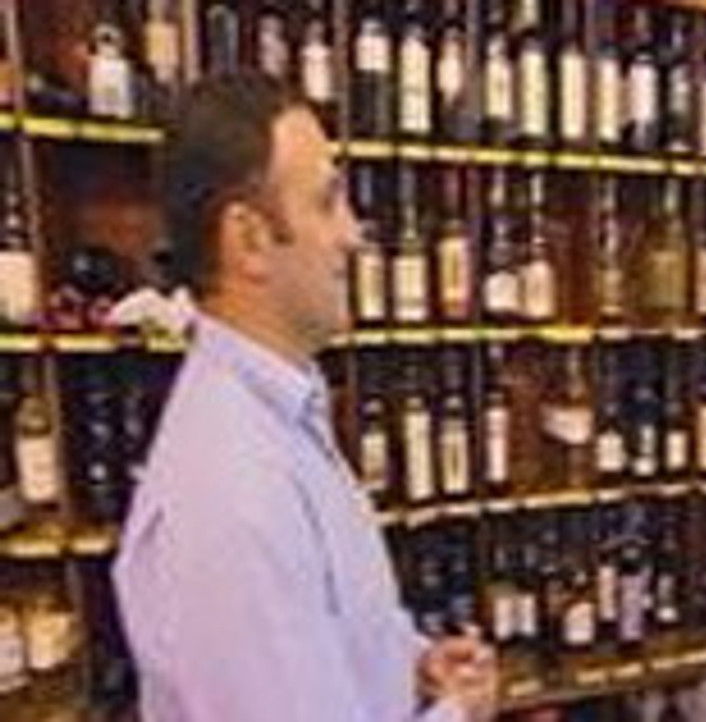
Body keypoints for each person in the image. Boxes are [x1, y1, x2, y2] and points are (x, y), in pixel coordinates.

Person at [112, 72, 497, 722]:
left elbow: (322, 634)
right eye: (327, 202)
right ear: (249, 240)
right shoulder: (234, 494)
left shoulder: (282, 413)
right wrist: (458, 715)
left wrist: (408, 664)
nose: (354, 233)